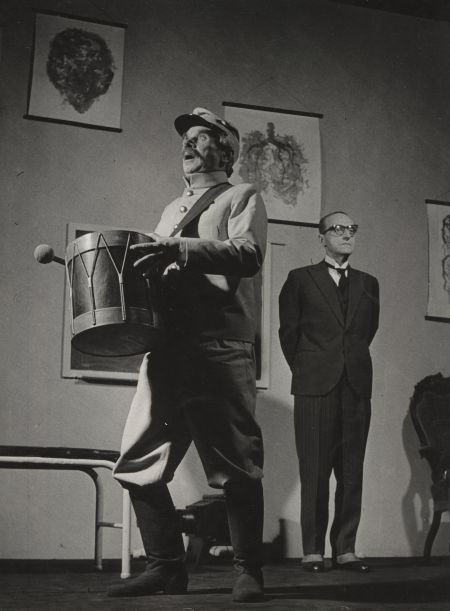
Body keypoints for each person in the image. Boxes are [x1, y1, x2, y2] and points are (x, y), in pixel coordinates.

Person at [109, 107, 267, 603]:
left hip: (219, 346)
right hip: (168, 349)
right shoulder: (170, 209)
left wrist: (178, 248)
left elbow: (248, 253)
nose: (189, 144)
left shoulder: (242, 195)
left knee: (236, 465)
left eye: (202, 138)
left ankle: (248, 571)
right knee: (136, 461)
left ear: (227, 152)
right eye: (187, 139)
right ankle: (165, 567)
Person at [278, 211, 379, 574]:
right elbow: (288, 334)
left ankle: (346, 549)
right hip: (314, 387)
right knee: (315, 472)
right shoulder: (300, 279)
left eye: (352, 229)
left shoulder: (369, 283)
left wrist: (347, 363)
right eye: (337, 229)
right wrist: (310, 368)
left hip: (356, 386)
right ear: (321, 237)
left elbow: (367, 332)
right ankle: (312, 550)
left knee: (352, 473)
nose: (346, 235)